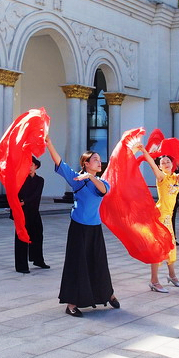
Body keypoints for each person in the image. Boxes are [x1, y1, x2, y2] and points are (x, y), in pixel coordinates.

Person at [45, 136, 119, 317]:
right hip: (78, 228)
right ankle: (71, 304)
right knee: (77, 264)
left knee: (99, 263)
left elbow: (103, 190)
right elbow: (59, 162)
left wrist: (91, 177)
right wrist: (49, 142)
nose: (99, 161)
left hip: (95, 228)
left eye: (99, 159)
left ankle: (108, 294)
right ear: (85, 163)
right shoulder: (76, 178)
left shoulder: (102, 182)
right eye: (94, 159)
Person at [137, 146, 179, 292]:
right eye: (163, 163)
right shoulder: (162, 177)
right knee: (158, 248)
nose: (166, 164)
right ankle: (154, 280)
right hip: (160, 217)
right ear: (160, 166)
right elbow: (151, 164)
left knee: (171, 247)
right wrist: (144, 151)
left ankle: (172, 275)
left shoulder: (175, 178)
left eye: (168, 162)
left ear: (172, 164)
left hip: (168, 217)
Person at [14, 157, 48, 273]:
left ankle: (38, 260)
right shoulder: (20, 179)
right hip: (22, 213)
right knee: (21, 238)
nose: (29, 167)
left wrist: (24, 202)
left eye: (31, 164)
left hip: (34, 212)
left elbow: (36, 195)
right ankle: (21, 266)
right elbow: (15, 193)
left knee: (38, 235)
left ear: (36, 166)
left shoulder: (40, 180)